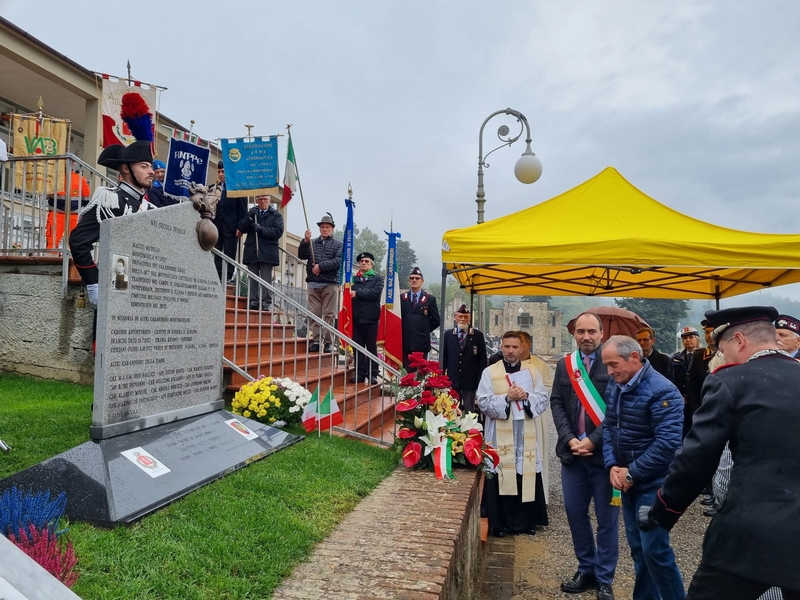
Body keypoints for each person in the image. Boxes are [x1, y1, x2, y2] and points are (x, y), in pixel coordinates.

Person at [642, 306, 800, 600]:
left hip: (749, 534)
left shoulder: (730, 381)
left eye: (723, 350)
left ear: (739, 340)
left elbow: (696, 459)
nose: (723, 357)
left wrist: (662, 511)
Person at [602, 335, 684, 600]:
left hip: (653, 485)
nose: (609, 372)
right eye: (606, 365)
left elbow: (668, 443)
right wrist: (612, 465)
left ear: (634, 357)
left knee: (655, 550)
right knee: (639, 549)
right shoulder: (616, 385)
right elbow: (609, 427)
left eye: (613, 364)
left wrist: (632, 472)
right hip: (627, 482)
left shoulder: (664, 391)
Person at [550, 312, 619, 600]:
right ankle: (586, 568)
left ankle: (604, 578)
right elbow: (557, 402)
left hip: (605, 458)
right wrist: (570, 438)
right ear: (574, 334)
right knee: (575, 512)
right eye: (581, 331)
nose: (586, 336)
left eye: (592, 331)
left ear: (602, 334)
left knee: (607, 519)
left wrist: (593, 440)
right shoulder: (565, 365)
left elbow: (617, 409)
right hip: (573, 456)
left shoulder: (613, 363)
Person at [477, 331, 549, 538]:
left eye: (515, 347)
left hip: (525, 431)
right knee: (502, 473)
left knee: (525, 473)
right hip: (500, 433)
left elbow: (543, 398)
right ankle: (500, 523)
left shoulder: (532, 372)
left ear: (522, 349)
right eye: (507, 346)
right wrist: (506, 398)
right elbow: (483, 401)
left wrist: (526, 396)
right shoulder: (490, 372)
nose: (510, 351)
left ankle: (526, 522)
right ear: (501, 347)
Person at [69, 141, 157, 306]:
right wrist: (93, 282)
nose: (151, 171)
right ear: (125, 169)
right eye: (144, 166)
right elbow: (79, 241)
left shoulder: (152, 209)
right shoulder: (110, 200)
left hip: (145, 288)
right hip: (118, 281)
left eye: (150, 166)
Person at [298, 213, 343, 353]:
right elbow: (302, 255)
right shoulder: (311, 243)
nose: (325, 229)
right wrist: (305, 241)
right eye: (323, 227)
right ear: (319, 229)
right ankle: (316, 340)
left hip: (330, 283)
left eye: (327, 227)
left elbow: (338, 261)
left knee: (329, 313)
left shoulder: (338, 245)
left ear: (332, 229)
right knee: (314, 314)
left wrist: (320, 267)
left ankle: (328, 342)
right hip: (313, 283)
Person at [237, 194, 284, 311]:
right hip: (252, 250)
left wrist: (262, 230)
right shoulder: (252, 213)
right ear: (257, 200)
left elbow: (278, 231)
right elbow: (242, 228)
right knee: (252, 278)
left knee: (265, 278)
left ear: (269, 201)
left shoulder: (276, 215)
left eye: (265, 199)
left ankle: (266, 302)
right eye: (261, 199)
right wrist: (250, 218)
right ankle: (253, 301)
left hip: (267, 252)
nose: (263, 201)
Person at [441, 304, 487, 413]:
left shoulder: (477, 335)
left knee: (469, 411)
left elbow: (482, 359)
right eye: (460, 316)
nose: (463, 319)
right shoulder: (448, 334)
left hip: (470, 380)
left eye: (466, 317)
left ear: (469, 319)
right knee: (452, 410)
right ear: (455, 318)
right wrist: (442, 377)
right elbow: (444, 357)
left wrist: (480, 380)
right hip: (453, 379)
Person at [349, 252, 383, 384]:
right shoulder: (353, 279)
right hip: (356, 318)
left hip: (371, 319)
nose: (364, 263)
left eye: (367, 261)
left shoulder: (378, 278)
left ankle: (373, 373)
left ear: (372, 264)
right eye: (361, 261)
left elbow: (375, 294)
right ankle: (360, 373)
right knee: (357, 348)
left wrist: (357, 293)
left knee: (371, 348)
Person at [211, 160, 247, 283]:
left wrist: (241, 227)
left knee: (229, 252)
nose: (221, 174)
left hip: (231, 227)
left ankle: (228, 276)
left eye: (223, 172)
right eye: (219, 172)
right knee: (216, 250)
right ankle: (216, 275)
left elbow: (243, 211)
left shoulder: (238, 188)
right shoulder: (214, 188)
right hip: (216, 226)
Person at [400, 267, 440, 370]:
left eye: (417, 278)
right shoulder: (402, 298)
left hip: (421, 343)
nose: (414, 280)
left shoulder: (430, 299)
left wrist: (423, 330)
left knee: (420, 374)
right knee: (406, 373)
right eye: (412, 278)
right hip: (405, 342)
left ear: (422, 281)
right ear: (409, 281)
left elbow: (436, 320)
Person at [46, 167, 92, 250]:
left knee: (73, 242)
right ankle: (53, 257)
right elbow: (86, 201)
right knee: (53, 241)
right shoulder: (53, 177)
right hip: (59, 213)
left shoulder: (80, 179)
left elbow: (86, 200)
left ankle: (69, 257)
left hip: (69, 214)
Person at [671, 326, 701, 412]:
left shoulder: (704, 357)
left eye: (691, 337)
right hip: (680, 398)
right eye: (685, 338)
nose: (687, 340)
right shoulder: (676, 358)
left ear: (697, 339)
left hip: (698, 398)